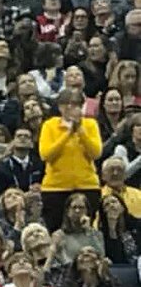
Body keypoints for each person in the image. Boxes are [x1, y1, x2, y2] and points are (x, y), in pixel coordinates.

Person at [39, 89, 103, 229]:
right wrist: (67, 133)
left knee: (86, 229)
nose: (71, 108)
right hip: (55, 188)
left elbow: (96, 153)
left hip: (87, 186)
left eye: (75, 104)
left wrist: (80, 131)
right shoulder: (49, 125)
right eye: (66, 104)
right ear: (60, 107)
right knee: (55, 229)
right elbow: (46, 155)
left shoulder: (90, 124)